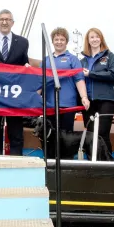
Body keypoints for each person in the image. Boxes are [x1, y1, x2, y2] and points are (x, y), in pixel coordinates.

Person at [0, 9, 29, 155]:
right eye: (1, 19)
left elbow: (24, 65)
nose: (4, 22)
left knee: (16, 131)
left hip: (14, 95)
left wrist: (27, 68)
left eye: (7, 19)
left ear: (12, 23)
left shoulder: (22, 42)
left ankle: (17, 163)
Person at [43, 27, 90, 157]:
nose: (59, 42)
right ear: (52, 41)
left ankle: (66, 162)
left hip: (68, 105)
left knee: (67, 137)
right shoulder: (46, 60)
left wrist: (84, 97)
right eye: (56, 39)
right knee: (50, 137)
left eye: (62, 39)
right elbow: (39, 82)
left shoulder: (73, 59)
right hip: (49, 105)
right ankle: (50, 163)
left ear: (66, 41)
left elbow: (79, 79)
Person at [80, 27, 114, 161]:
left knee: (102, 134)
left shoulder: (110, 56)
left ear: (101, 39)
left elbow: (113, 74)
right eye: (92, 37)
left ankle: (108, 162)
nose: (95, 39)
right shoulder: (83, 61)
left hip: (106, 100)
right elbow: (79, 81)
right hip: (89, 102)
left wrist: (91, 74)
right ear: (88, 40)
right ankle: (92, 161)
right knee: (90, 134)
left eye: (97, 36)